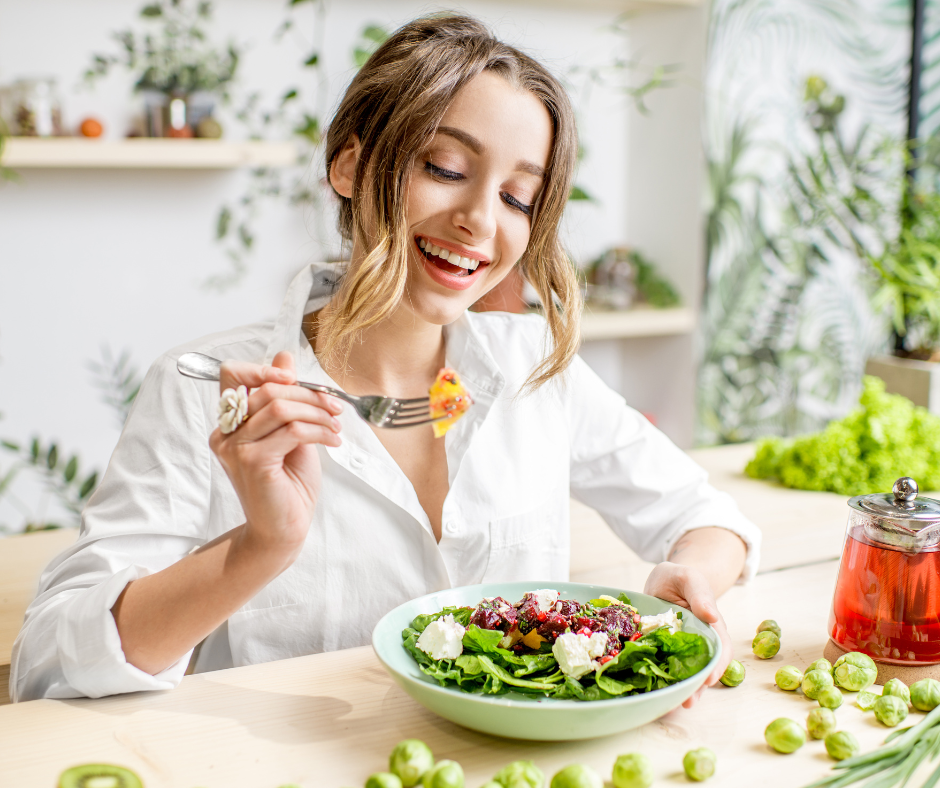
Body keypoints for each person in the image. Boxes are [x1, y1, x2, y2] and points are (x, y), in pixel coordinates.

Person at [10, 14, 760, 704]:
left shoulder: (537, 368)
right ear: (350, 167)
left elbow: (704, 516)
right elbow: (49, 665)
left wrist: (690, 579)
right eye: (443, 167)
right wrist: (259, 545)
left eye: (519, 198)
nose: (478, 221)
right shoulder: (207, 386)